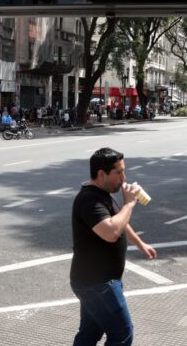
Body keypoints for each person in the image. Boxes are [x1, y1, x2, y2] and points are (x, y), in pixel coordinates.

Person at [70, 148, 156, 346]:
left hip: (93, 281)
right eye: (119, 172)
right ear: (102, 174)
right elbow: (111, 232)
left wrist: (140, 243)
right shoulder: (89, 200)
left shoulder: (103, 193)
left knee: (89, 334)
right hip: (98, 284)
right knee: (122, 334)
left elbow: (120, 222)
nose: (123, 177)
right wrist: (130, 204)